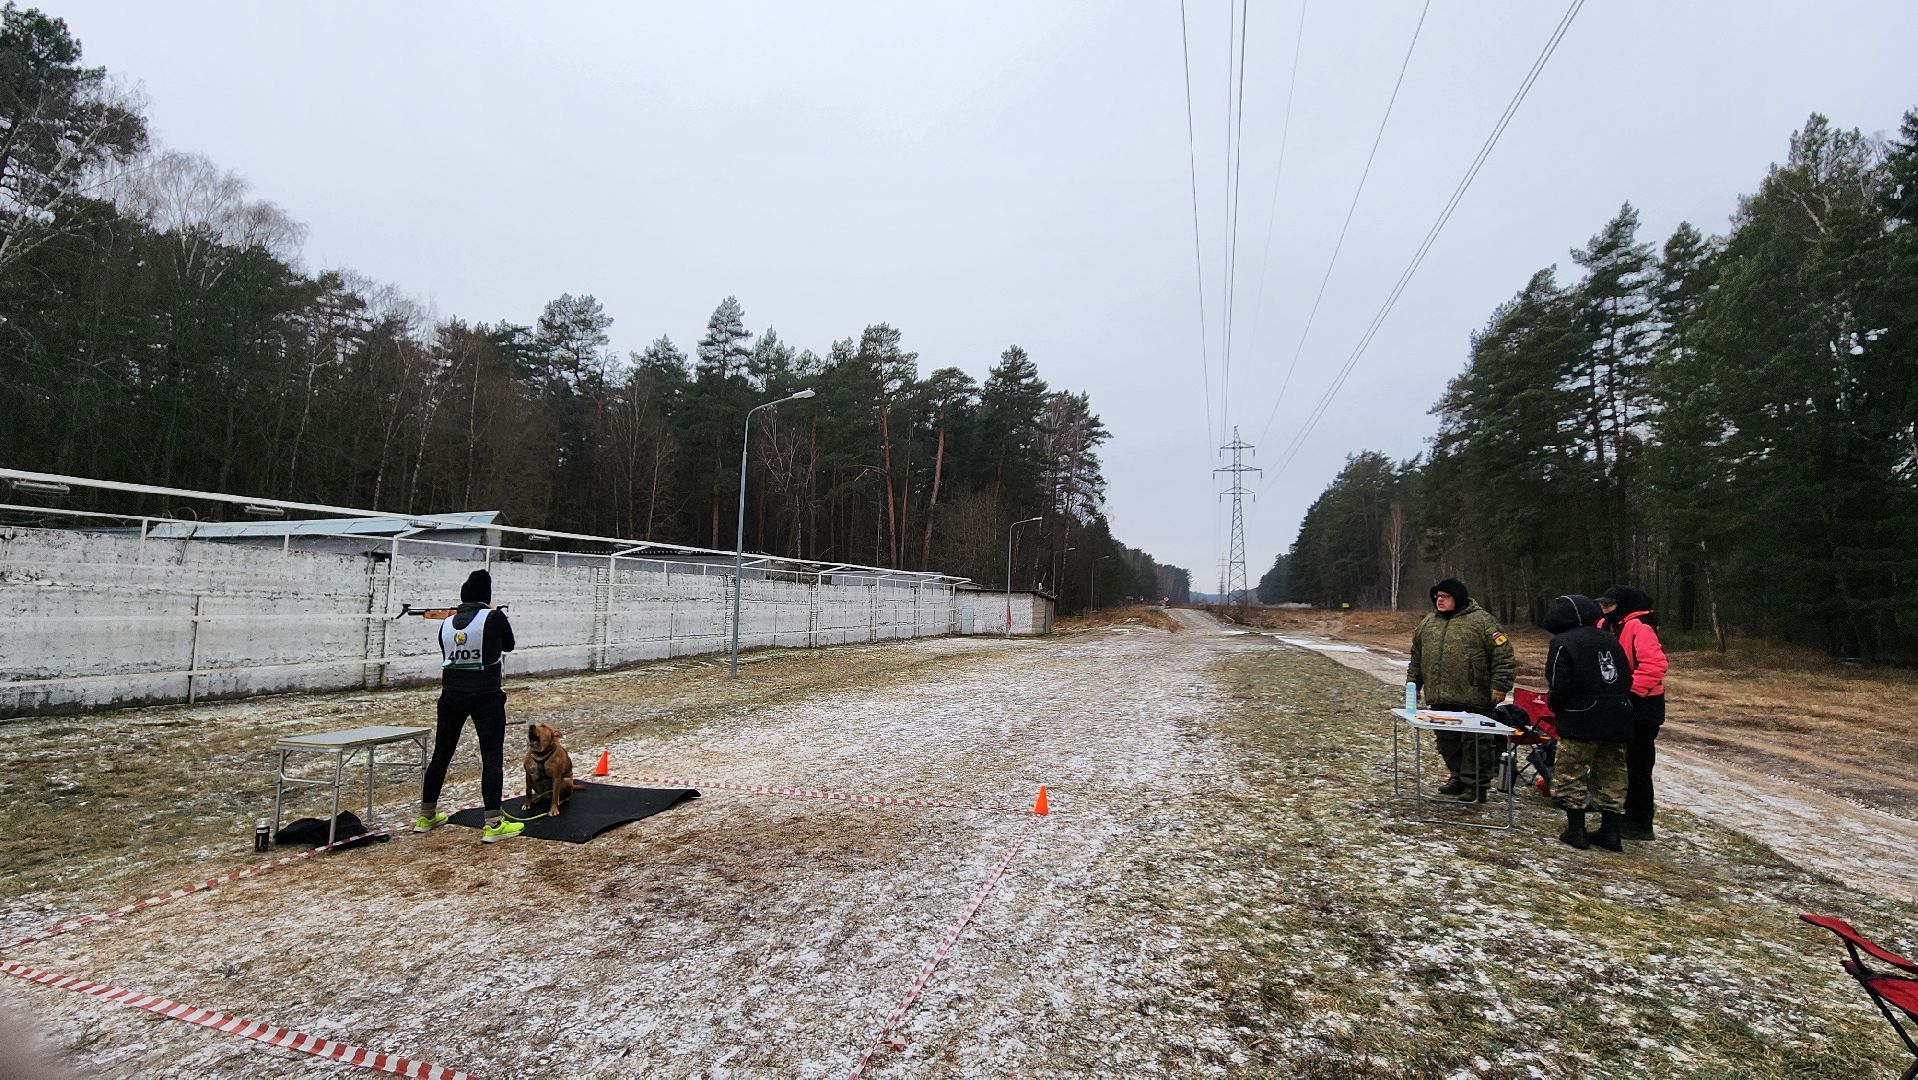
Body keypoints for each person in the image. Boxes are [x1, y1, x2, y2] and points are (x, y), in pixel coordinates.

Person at [415, 569, 522, 843]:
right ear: (486, 596)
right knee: (491, 756)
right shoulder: (494, 617)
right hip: (486, 694)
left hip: (451, 695)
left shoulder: (447, 623)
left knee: (442, 753)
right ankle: (493, 823)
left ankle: (427, 815)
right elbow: (509, 646)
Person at [1407, 577, 1516, 802]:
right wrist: (1414, 684)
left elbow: (1503, 655)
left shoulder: (1483, 622)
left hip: (1474, 696)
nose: (1440, 601)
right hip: (1440, 696)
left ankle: (1476, 786)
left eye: (1445, 597)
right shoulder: (1427, 623)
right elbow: (1417, 657)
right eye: (1437, 597)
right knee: (1447, 740)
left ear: (1457, 598)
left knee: (1476, 743)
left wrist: (1500, 685)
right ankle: (1457, 777)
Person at [1542, 594, 1635, 852]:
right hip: (1618, 716)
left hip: (1580, 717)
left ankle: (1577, 831)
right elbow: (1626, 676)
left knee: (1572, 773)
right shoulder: (1610, 639)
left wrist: (1557, 707)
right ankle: (1611, 833)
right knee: (1613, 774)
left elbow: (1559, 682)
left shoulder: (1562, 642)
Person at [1598, 585, 1669, 841]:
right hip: (1619, 703)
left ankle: (1640, 822)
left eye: (1609, 604)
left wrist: (1629, 693)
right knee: (1619, 762)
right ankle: (1621, 813)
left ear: (1623, 604)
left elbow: (1655, 665)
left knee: (1638, 765)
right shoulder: (1606, 624)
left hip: (1643, 706)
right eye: (1603, 605)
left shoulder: (1639, 626)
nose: (1605, 609)